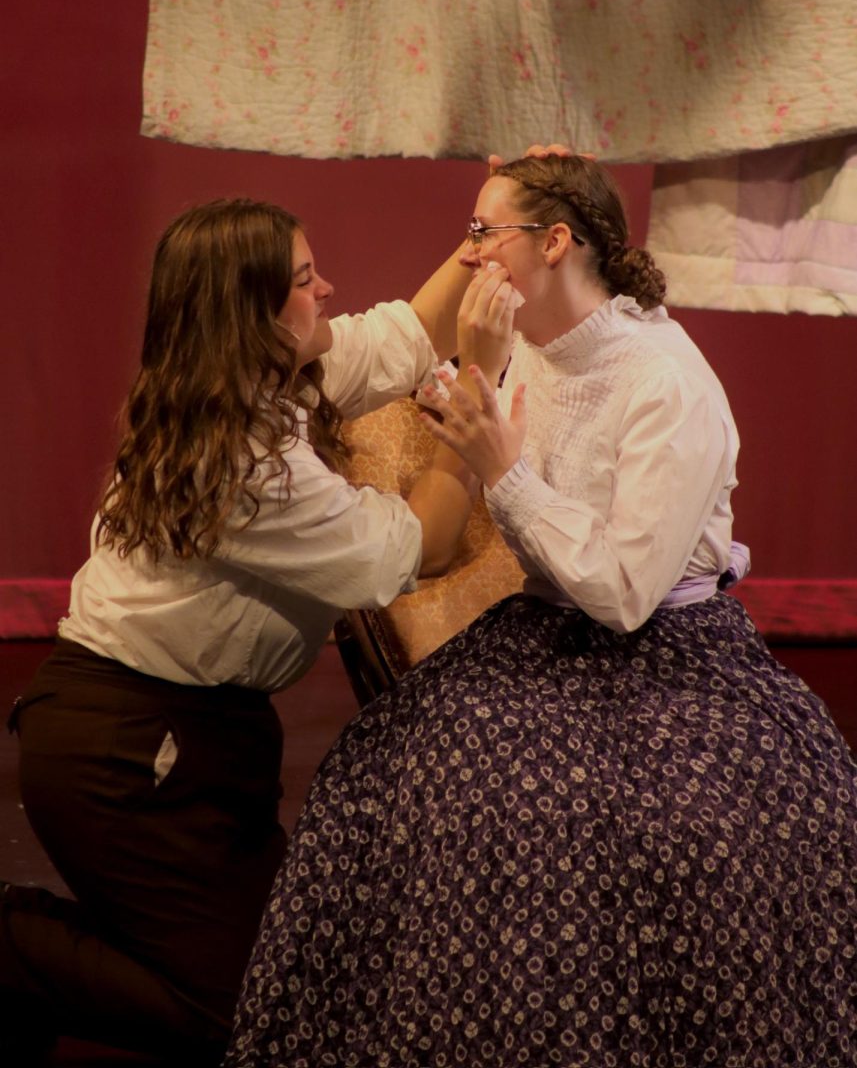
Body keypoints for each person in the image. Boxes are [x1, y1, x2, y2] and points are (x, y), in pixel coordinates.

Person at [226, 155, 857, 1068]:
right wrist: (469, 410)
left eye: (483, 234)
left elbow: (623, 595)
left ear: (554, 243)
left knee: (645, 824)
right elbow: (432, 386)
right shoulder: (533, 347)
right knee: (388, 779)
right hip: (539, 631)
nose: (469, 254)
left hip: (664, 650)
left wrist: (501, 468)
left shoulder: (664, 384)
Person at [0, 196, 519, 1065]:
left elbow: (406, 332)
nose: (328, 288)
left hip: (196, 736)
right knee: (236, 1018)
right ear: (252, 316)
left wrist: (488, 228)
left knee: (294, 982)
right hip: (126, 751)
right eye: (305, 280)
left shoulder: (262, 376)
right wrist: (477, 396)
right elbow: (417, 547)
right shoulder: (239, 455)